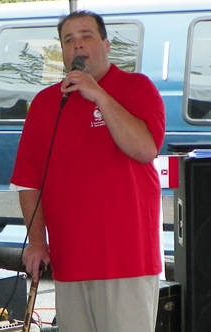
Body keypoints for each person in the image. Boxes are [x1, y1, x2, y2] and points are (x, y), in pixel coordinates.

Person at [10, 11, 165, 332]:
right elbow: (27, 182)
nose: (77, 45)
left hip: (127, 260)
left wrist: (99, 96)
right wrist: (37, 243)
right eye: (69, 40)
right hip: (71, 261)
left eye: (86, 36)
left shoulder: (137, 88)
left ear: (106, 44)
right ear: (63, 52)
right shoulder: (44, 103)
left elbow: (145, 148)